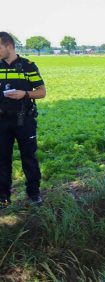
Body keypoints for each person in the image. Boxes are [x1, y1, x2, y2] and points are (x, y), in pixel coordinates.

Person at [0, 32, 46, 207]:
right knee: (2, 159)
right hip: (2, 121)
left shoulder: (28, 66)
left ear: (9, 46)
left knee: (29, 158)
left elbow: (42, 92)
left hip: (24, 120)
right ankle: (3, 196)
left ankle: (34, 193)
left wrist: (24, 94)